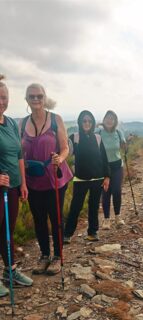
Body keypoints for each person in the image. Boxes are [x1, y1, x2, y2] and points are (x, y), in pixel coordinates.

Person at [20, 83, 72, 275]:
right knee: (39, 219)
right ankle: (44, 255)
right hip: (33, 180)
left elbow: (65, 147)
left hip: (54, 178)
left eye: (39, 96)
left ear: (44, 98)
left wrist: (61, 158)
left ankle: (58, 256)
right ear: (26, 99)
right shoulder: (22, 123)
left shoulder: (55, 120)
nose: (36, 100)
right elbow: (19, 151)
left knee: (56, 218)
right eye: (32, 96)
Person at [0, 75, 33, 297]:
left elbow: (19, 154)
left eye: (4, 98)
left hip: (12, 187)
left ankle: (9, 272)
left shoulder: (11, 122)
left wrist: (23, 182)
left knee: (7, 232)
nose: (2, 102)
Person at [64, 110, 110, 243]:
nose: (87, 123)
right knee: (75, 207)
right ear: (80, 122)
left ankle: (92, 232)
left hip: (97, 178)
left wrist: (107, 177)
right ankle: (67, 234)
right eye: (84, 121)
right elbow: (65, 153)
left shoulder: (97, 138)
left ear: (93, 123)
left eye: (90, 121)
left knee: (94, 206)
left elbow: (104, 159)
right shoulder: (74, 137)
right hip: (80, 179)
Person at [100, 110, 127, 229]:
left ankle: (117, 217)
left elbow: (124, 146)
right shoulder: (98, 132)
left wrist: (126, 145)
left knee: (116, 190)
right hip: (103, 167)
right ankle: (106, 220)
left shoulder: (118, 132)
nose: (109, 120)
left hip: (117, 166)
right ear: (104, 120)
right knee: (106, 192)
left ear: (115, 121)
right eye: (107, 118)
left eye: (112, 118)